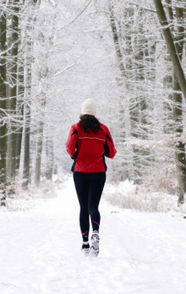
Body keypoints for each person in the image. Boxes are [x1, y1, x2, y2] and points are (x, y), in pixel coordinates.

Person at [65, 98, 116, 257]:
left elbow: (69, 147)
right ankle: (96, 231)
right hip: (98, 172)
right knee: (93, 206)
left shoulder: (76, 128)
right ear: (95, 113)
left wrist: (76, 155)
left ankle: (85, 244)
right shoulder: (104, 129)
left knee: (83, 208)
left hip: (80, 172)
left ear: (82, 112)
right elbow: (112, 152)